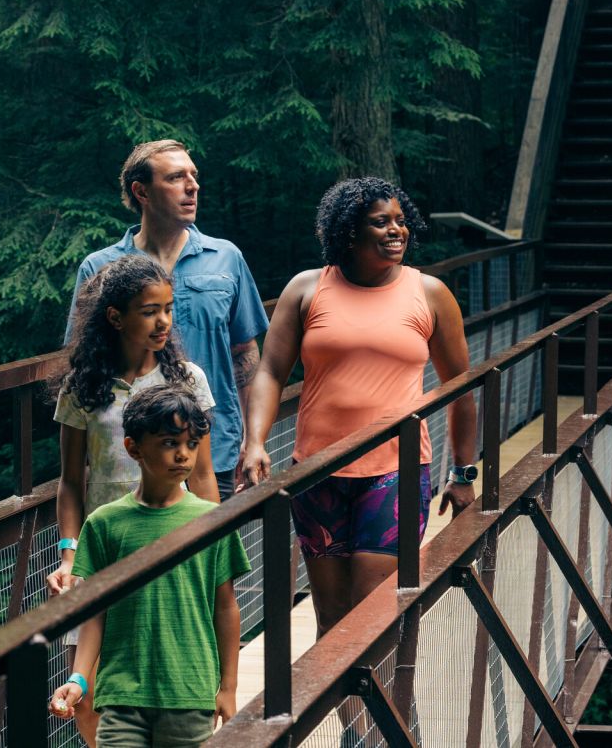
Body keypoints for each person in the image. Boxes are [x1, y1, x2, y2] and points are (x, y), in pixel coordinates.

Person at [240, 177, 478, 639]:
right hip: (317, 471)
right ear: (350, 231)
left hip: (396, 471)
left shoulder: (428, 293)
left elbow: (461, 389)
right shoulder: (307, 289)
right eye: (381, 222)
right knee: (331, 619)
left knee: (372, 616)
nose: (397, 231)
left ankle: (382, 712)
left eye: (401, 221)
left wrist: (463, 474)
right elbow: (270, 371)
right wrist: (255, 443)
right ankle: (353, 715)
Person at [46, 255, 219, 743]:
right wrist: (69, 552)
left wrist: (213, 544)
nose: (163, 321)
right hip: (103, 546)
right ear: (116, 317)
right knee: (90, 689)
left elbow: (203, 475)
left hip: (171, 540)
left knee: (165, 679)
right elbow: (70, 484)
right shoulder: (83, 388)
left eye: (168, 308)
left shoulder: (187, 379)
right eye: (149, 311)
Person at [66, 139, 269, 503]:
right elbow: (82, 361)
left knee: (209, 556)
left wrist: (252, 440)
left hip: (214, 452)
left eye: (194, 176)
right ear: (141, 191)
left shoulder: (226, 258)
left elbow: (245, 354)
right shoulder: (100, 269)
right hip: (130, 458)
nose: (193, 186)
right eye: (176, 177)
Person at [48, 385, 250, 746]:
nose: (183, 455)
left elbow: (225, 607)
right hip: (122, 695)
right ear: (134, 448)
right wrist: (79, 679)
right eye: (170, 443)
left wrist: (228, 688)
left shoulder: (211, 521)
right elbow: (94, 612)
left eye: (191, 444)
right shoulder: (104, 523)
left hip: (189, 693)